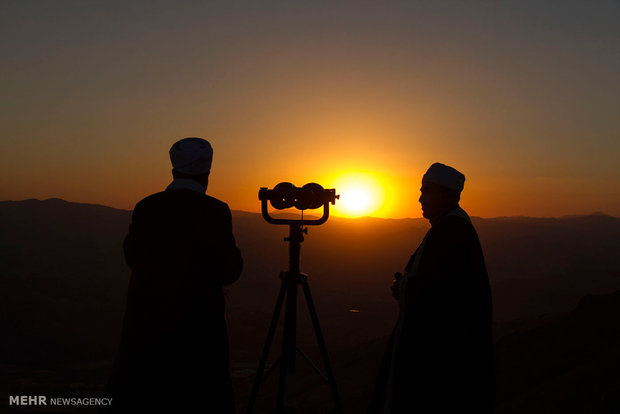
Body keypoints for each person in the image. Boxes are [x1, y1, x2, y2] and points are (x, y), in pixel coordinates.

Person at [105, 137, 243, 413]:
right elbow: (230, 270)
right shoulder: (215, 211)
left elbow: (132, 256)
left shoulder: (146, 207)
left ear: (173, 170)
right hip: (200, 338)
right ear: (207, 173)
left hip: (146, 331)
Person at [371, 162, 495, 414]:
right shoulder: (449, 226)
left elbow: (433, 290)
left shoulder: (451, 230)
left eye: (427, 191)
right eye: (421, 190)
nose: (420, 198)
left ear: (448, 195)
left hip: (441, 349)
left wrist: (402, 287)